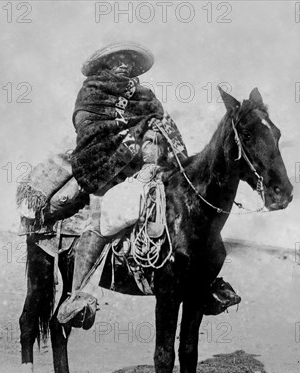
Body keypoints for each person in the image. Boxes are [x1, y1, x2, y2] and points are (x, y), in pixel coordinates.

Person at [56, 42, 240, 327]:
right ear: (105, 64)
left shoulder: (145, 96)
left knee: (189, 216)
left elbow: (167, 126)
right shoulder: (92, 94)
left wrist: (163, 141)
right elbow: (90, 132)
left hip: (151, 170)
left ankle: (203, 283)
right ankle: (79, 295)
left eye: (129, 60)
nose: (125, 64)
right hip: (105, 170)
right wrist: (134, 139)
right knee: (102, 221)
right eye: (119, 59)